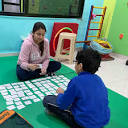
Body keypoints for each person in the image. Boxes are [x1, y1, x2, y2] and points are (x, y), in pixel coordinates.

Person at [43, 48, 110, 128]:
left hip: (83, 124)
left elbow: (63, 104)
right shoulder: (98, 79)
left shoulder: (76, 81)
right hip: (102, 122)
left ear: (80, 66)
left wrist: (61, 95)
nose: (75, 64)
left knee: (47, 100)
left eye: (76, 62)